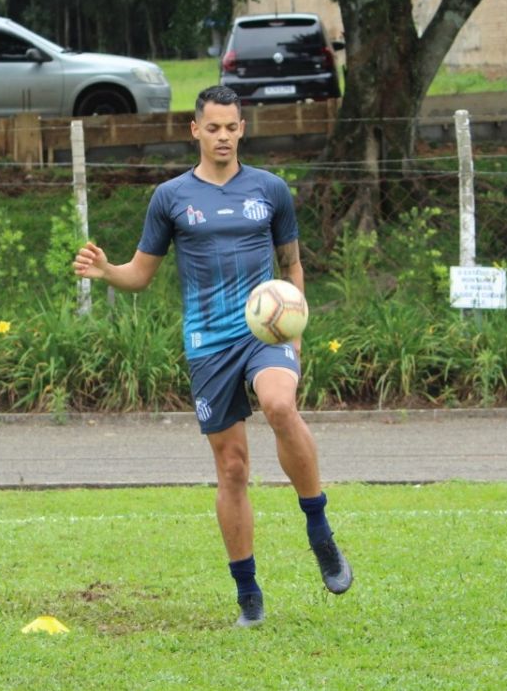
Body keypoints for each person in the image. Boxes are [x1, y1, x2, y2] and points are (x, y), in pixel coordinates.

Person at [73, 85, 352, 628]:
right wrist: (108, 271)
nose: (223, 136)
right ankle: (248, 591)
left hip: (263, 332)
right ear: (195, 131)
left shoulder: (270, 190)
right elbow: (141, 274)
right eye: (213, 127)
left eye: (232, 127)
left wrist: (295, 328)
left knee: (278, 405)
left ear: (242, 129)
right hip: (207, 343)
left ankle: (318, 528)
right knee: (233, 469)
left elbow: (291, 266)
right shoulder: (171, 198)